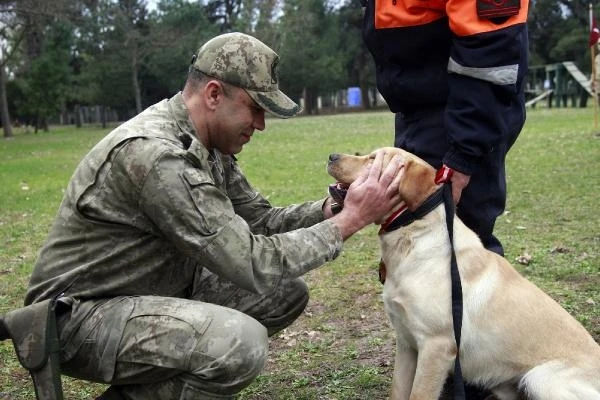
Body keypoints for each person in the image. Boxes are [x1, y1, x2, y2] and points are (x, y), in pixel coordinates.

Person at [24, 32, 403, 400]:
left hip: (144, 292)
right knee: (237, 344)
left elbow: (260, 221)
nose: (261, 124)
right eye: (255, 108)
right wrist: (350, 220)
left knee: (283, 295)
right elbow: (252, 263)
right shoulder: (158, 157)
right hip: (74, 319)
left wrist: (332, 208)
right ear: (214, 94)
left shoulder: (206, 144)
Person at [361, 0, 529, 398]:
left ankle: (472, 380)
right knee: (419, 246)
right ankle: (437, 354)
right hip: (421, 110)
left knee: (459, 248)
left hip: (461, 112)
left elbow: (491, 48)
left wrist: (465, 152)